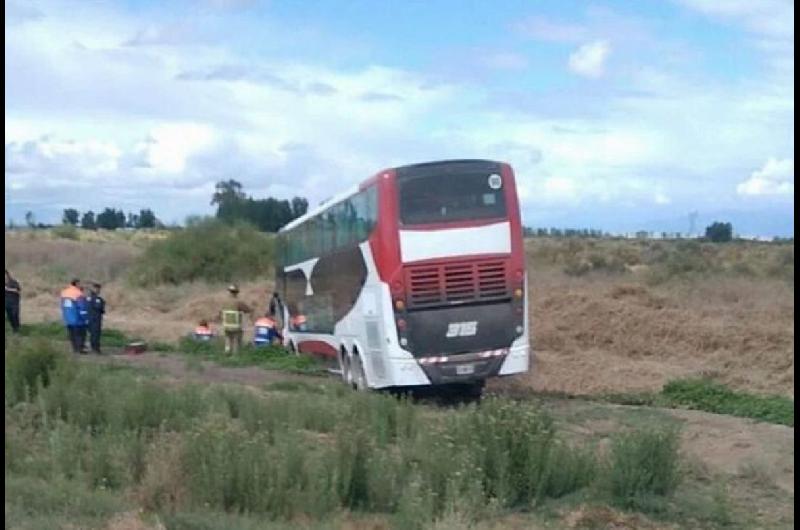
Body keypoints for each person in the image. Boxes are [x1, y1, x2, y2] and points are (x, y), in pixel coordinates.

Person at [221, 284, 253, 354]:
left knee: (228, 338)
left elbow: (221, 312)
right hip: (236, 326)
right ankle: (236, 354)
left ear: (229, 292)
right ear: (236, 293)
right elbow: (247, 310)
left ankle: (227, 351)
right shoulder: (238, 302)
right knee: (236, 339)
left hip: (226, 325)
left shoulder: (224, 302)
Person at [60, 278, 86, 353]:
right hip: (77, 318)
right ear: (77, 284)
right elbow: (81, 307)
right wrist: (85, 318)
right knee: (80, 335)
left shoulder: (64, 292)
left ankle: (74, 349)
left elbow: (62, 306)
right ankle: (79, 349)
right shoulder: (78, 293)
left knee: (72, 335)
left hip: (67, 318)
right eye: (80, 283)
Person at [86, 282, 106, 354]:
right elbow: (100, 308)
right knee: (95, 334)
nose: (98, 290)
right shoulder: (97, 299)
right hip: (95, 319)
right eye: (97, 289)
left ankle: (93, 348)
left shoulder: (87, 298)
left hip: (89, 318)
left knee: (92, 334)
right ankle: (96, 349)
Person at [5, 269, 21, 333]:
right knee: (10, 316)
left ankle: (17, 327)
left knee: (15, 314)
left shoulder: (13, 282)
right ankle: (14, 328)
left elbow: (17, 290)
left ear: (8, 275)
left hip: (14, 302)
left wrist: (8, 289)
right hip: (6, 303)